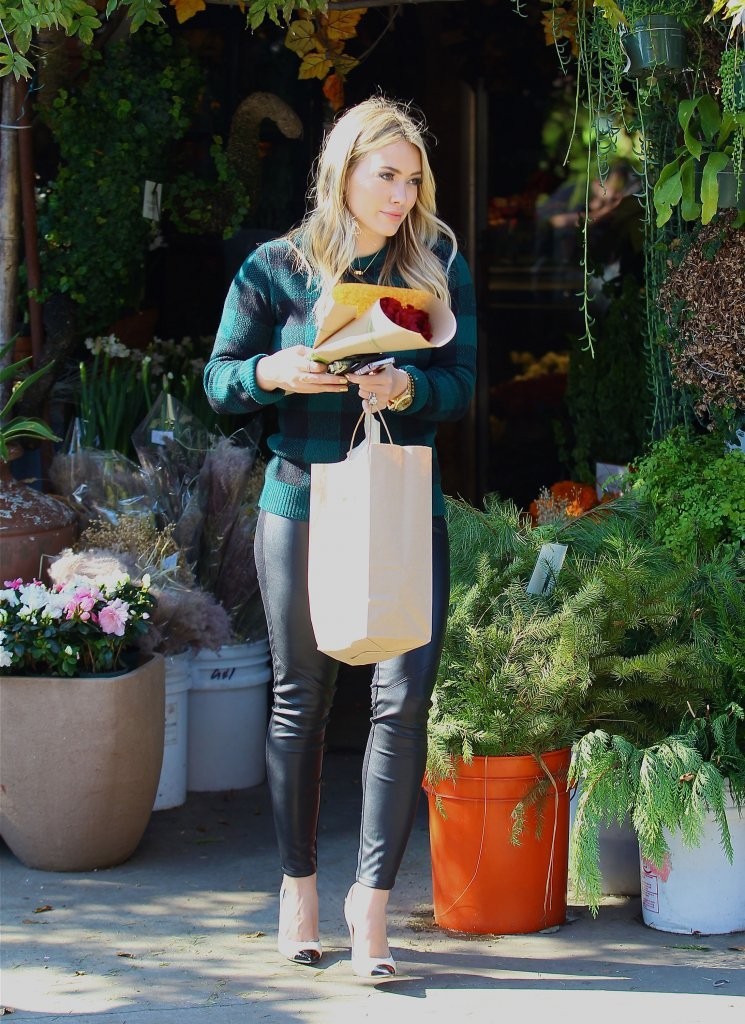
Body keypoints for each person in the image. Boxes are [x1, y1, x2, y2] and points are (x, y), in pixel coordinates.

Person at [203, 96, 477, 979]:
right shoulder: (274, 268)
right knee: (301, 701)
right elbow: (217, 381)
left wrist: (408, 389)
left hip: (401, 505)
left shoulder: (435, 264)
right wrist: (271, 371)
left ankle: (372, 906)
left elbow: (463, 381)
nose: (401, 196)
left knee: (402, 703)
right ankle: (298, 890)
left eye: (412, 180)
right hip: (300, 502)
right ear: (343, 171)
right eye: (385, 176)